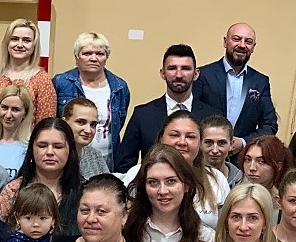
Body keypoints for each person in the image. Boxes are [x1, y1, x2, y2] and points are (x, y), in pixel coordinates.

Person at [114, 45, 208, 174]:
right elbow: (124, 166)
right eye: (172, 68)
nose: (179, 75)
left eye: (185, 68)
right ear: (163, 73)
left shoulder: (211, 114)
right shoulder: (142, 115)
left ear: (196, 74)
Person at [52, 31, 129, 171]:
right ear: (77, 57)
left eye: (100, 54)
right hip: (70, 155)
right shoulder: (61, 82)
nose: (94, 58)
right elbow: (54, 120)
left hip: (108, 157)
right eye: (87, 53)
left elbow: (119, 122)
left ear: (106, 57)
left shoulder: (119, 87)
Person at [196, 23, 276, 143]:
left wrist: (244, 142)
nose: (242, 45)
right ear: (225, 42)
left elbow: (270, 125)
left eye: (248, 41)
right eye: (236, 39)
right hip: (205, 151)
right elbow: (190, 116)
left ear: (253, 47)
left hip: (241, 153)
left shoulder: (260, 81)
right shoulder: (203, 75)